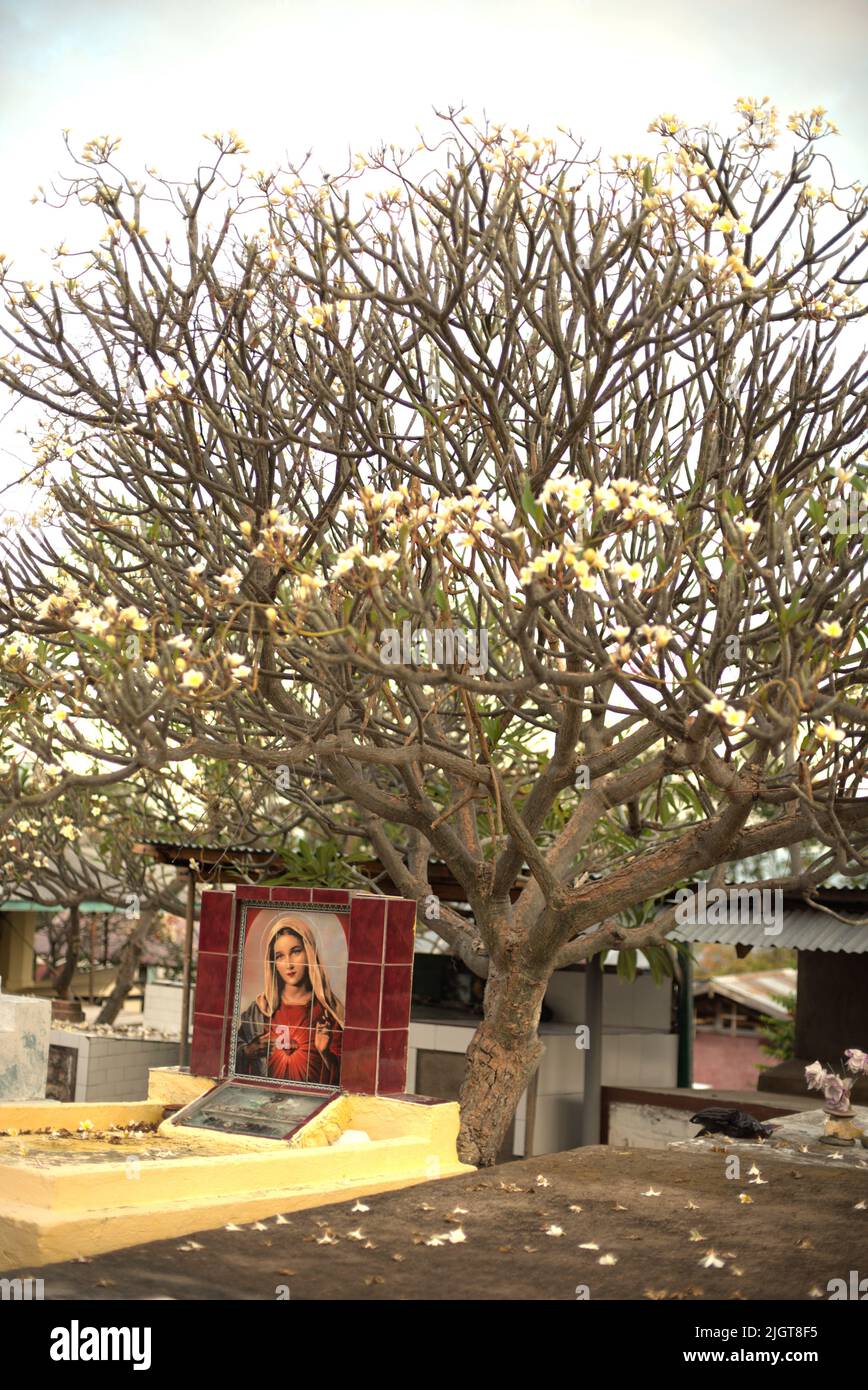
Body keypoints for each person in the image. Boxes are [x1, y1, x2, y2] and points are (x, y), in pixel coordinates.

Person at [234, 913, 344, 1085]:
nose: (289, 964)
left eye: (296, 952)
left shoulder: (329, 1012)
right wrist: (248, 1051)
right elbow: (228, 1056)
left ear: (309, 952)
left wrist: (325, 1053)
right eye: (279, 956)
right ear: (273, 963)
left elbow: (351, 1078)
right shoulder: (260, 1010)